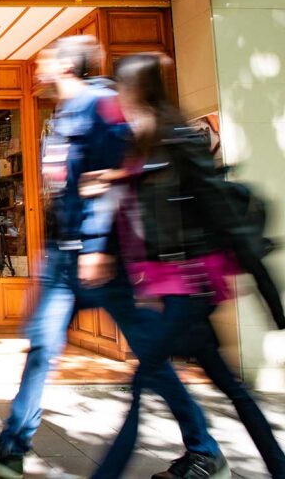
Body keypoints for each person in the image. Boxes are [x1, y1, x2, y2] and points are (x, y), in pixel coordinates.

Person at [0, 36, 222, 479]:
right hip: (66, 258)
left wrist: (97, 245)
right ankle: (12, 445)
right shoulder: (64, 113)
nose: (37, 65)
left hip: (101, 259)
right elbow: (70, 188)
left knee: (148, 355)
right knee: (42, 345)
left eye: (46, 59)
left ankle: (204, 450)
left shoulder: (103, 105)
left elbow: (116, 180)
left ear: (66, 66)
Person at [87, 53, 285, 479]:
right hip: (174, 287)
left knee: (143, 382)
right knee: (232, 388)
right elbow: (146, 198)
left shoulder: (176, 137)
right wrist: (111, 181)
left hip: (190, 285)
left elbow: (217, 208)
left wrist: (270, 295)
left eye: (120, 87)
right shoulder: (147, 140)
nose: (116, 97)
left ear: (134, 89)